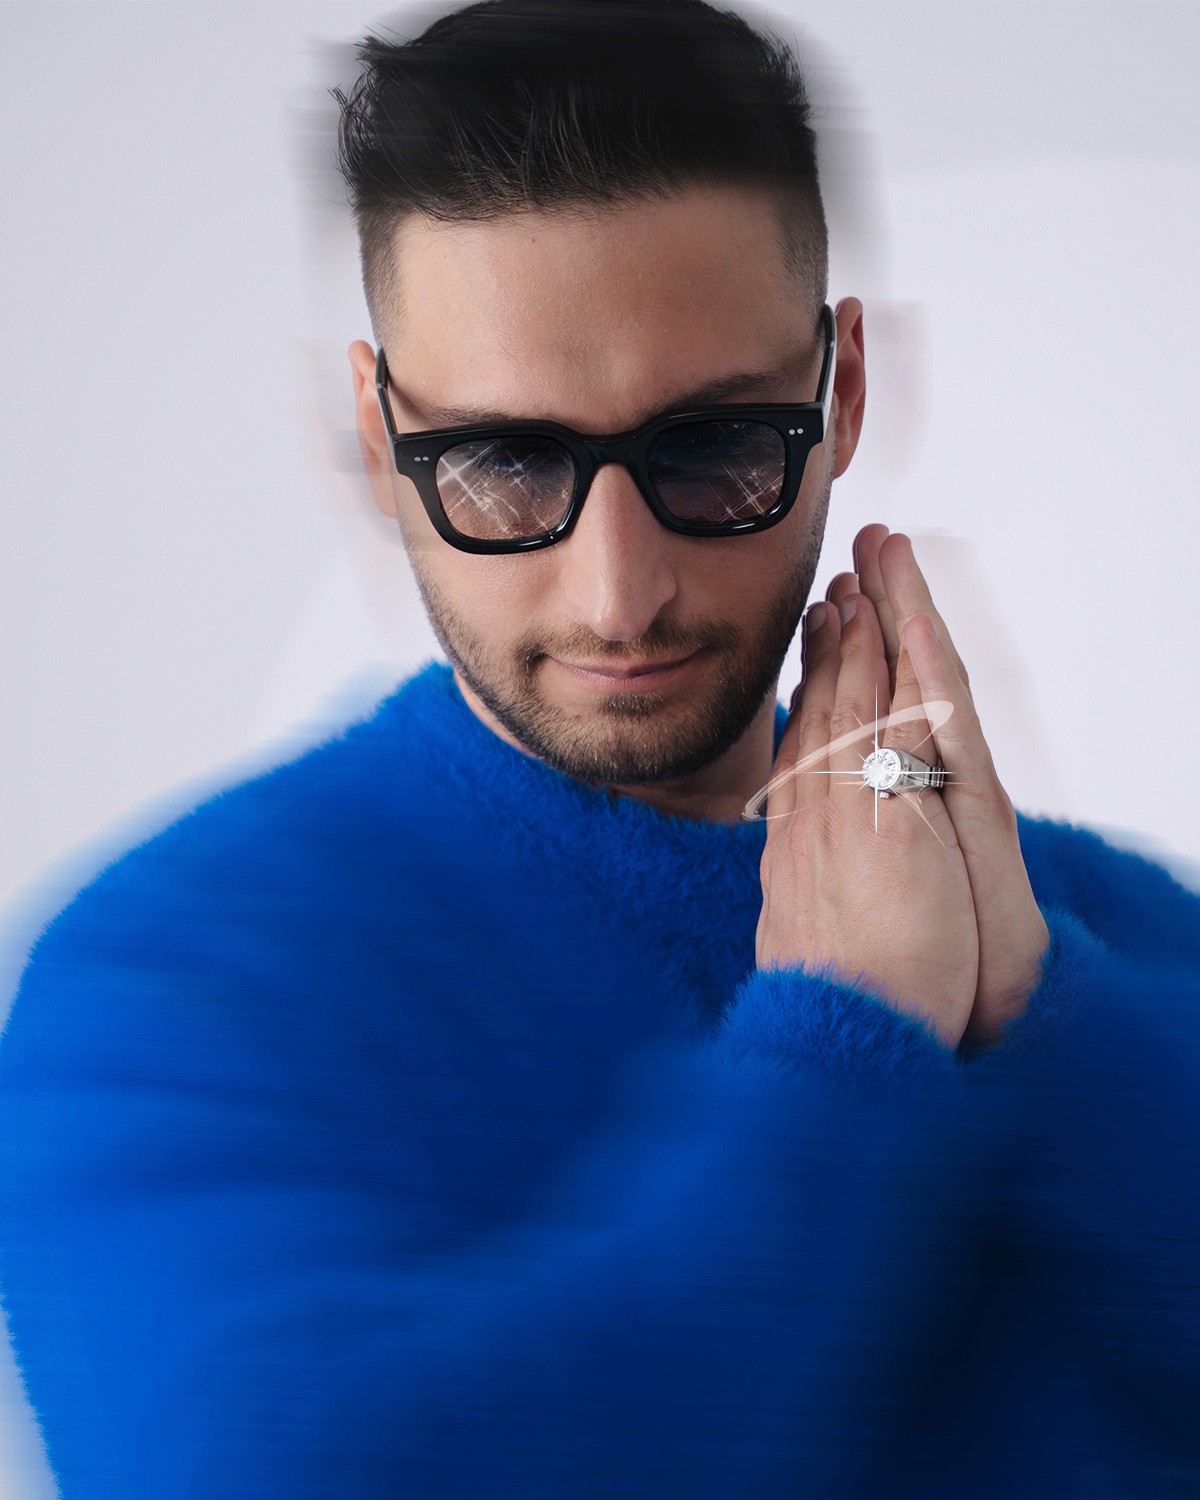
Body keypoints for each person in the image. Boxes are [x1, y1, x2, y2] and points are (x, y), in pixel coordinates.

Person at [1, 2, 1198, 1496]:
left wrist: (1034, 1008)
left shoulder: (1101, 935)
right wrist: (851, 1038)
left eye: (713, 449)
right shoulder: (167, 983)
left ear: (842, 392)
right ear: (377, 437)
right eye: (505, 463)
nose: (618, 594)